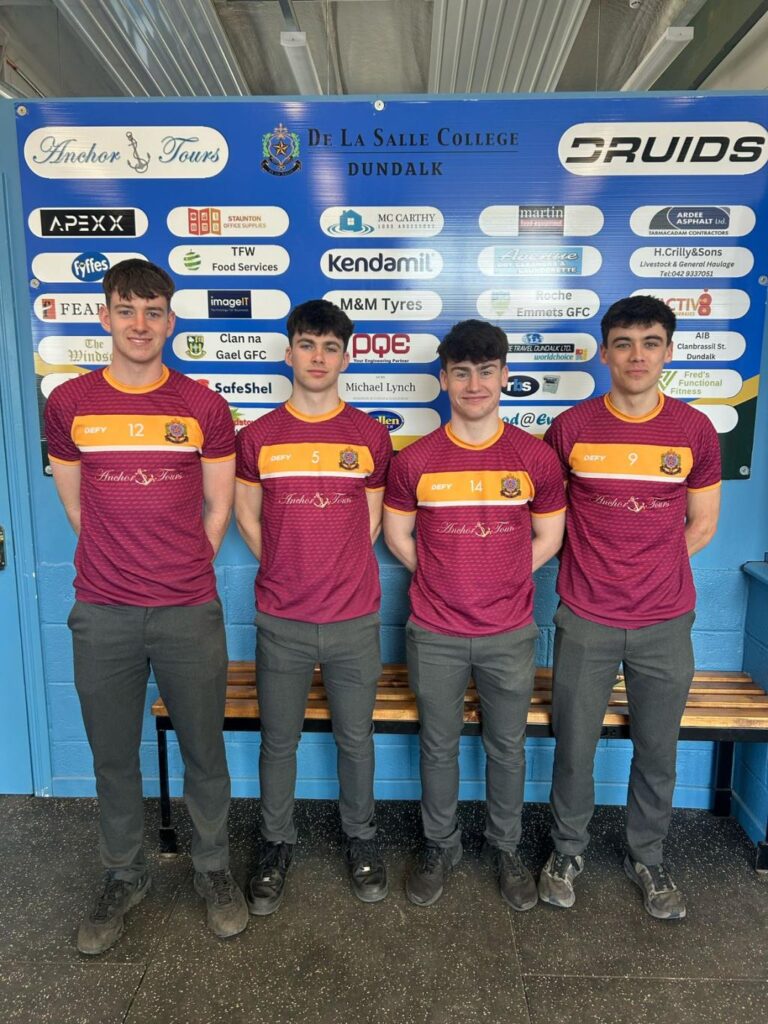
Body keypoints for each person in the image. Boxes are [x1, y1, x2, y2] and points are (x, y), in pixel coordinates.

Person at [44, 259, 248, 954]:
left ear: (170, 320)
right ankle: (123, 874)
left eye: (153, 311)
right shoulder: (69, 404)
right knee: (112, 755)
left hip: (188, 609)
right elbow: (77, 508)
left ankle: (213, 868)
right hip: (103, 612)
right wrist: (121, 563)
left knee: (203, 750)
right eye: (126, 310)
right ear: (105, 317)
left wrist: (179, 566)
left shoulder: (202, 406)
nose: (140, 324)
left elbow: (218, 507)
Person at [538, 294, 721, 920]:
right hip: (585, 616)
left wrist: (650, 571)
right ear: (604, 352)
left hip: (665, 620)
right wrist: (604, 573)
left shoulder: (695, 430)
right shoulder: (570, 429)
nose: (636, 356)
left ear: (668, 351)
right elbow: (549, 519)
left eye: (650, 343)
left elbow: (702, 524)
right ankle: (567, 851)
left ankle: (648, 856)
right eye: (623, 343)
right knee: (574, 745)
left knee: (657, 748)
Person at [383, 319, 566, 909]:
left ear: (505, 375)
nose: (474, 384)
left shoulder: (534, 457)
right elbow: (397, 535)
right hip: (434, 631)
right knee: (437, 744)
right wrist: (442, 576)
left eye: (486, 371)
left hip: (509, 631)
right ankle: (441, 845)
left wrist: (504, 576)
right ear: (444, 379)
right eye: (461, 373)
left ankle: (505, 847)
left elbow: (550, 536)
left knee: (505, 746)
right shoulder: (415, 460)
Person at [235, 299, 392, 914]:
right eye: (307, 344)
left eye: (330, 347)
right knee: (279, 740)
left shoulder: (370, 435)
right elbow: (248, 518)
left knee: (356, 738)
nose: (318, 357)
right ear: (289, 352)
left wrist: (334, 569)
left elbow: (371, 523)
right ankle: (276, 842)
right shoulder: (259, 437)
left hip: (354, 617)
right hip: (283, 617)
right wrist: (286, 566)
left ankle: (361, 838)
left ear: (346, 357)